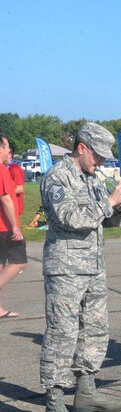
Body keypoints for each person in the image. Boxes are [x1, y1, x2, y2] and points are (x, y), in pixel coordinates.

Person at [39, 122, 121, 412]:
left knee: (95, 329)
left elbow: (104, 220)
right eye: (99, 156)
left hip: (93, 265)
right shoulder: (58, 177)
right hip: (65, 268)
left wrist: (118, 208)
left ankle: (86, 391)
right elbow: (70, 218)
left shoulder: (91, 178)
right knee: (62, 333)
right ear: (82, 148)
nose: (102, 162)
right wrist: (109, 202)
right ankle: (54, 400)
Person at [0, 135, 26, 318]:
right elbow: (6, 199)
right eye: (7, 147)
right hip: (4, 227)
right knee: (19, 262)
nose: (9, 151)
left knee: (1, 266)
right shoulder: (1, 169)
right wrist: (15, 227)